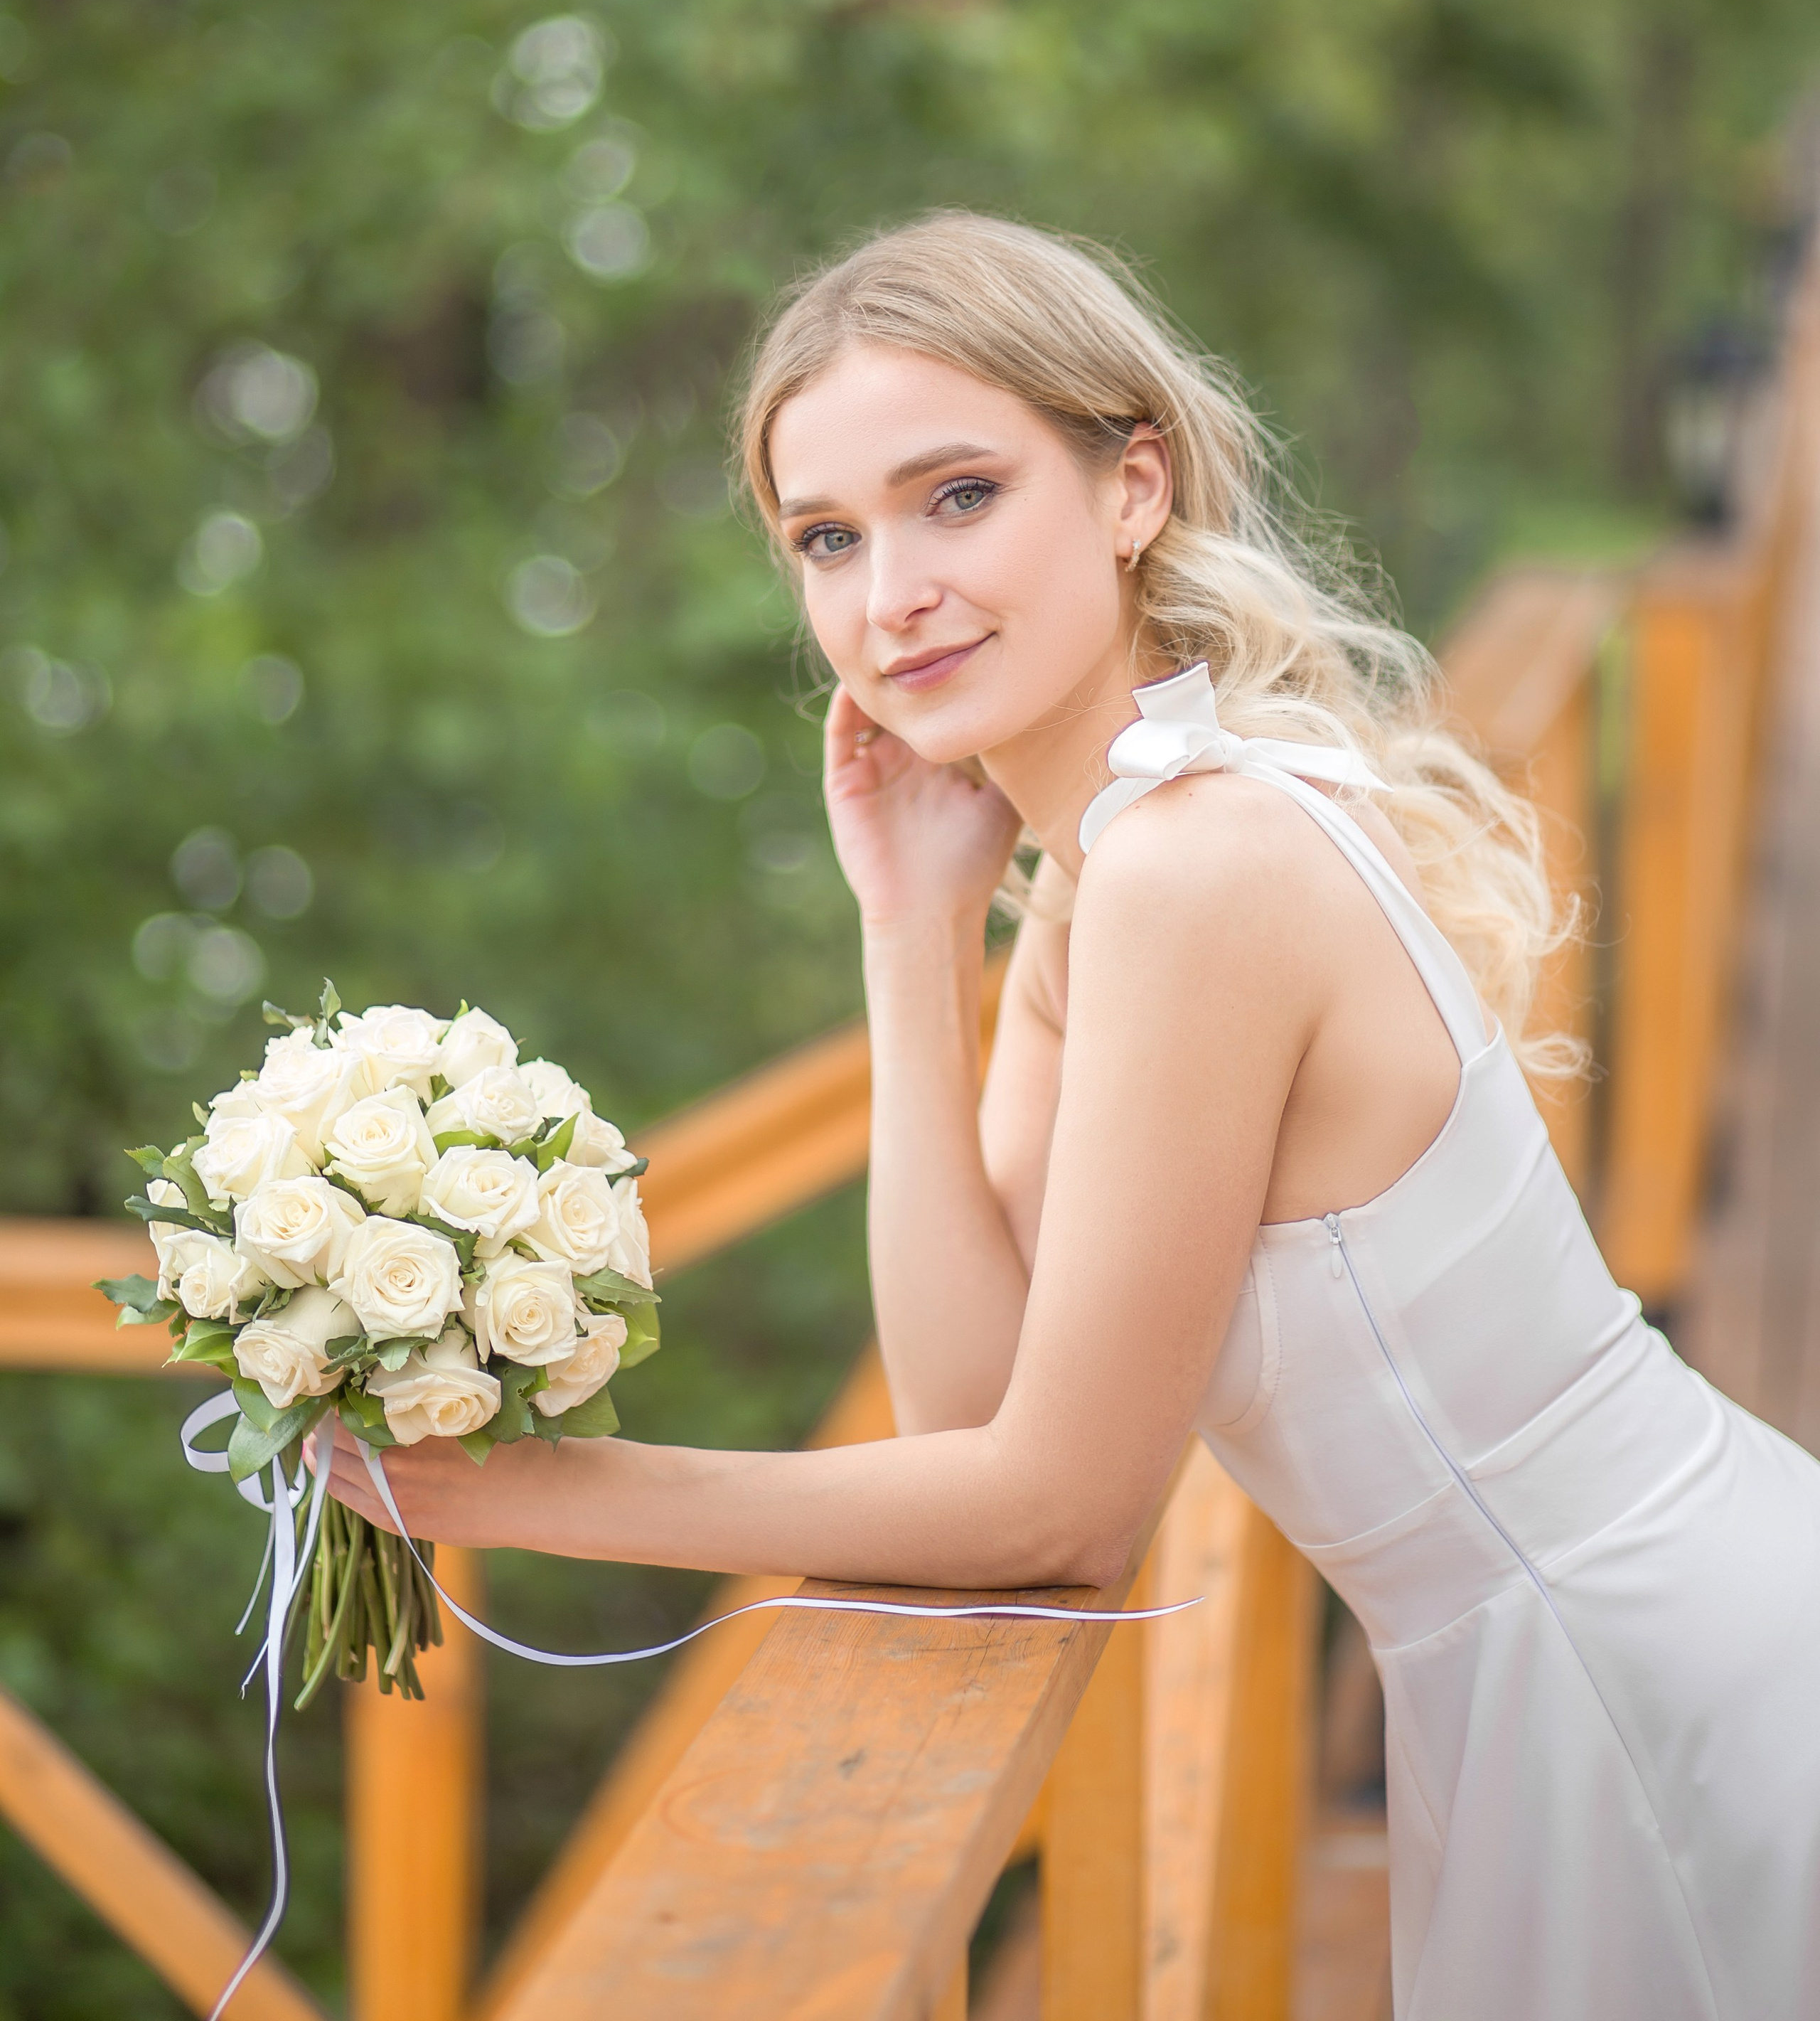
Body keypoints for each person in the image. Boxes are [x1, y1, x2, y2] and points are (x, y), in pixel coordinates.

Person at [323, 213, 1820, 2019]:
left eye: (957, 495)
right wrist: (911, 932)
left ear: (1130, 490)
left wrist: (529, 1492)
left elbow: (1053, 1511)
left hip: (1643, 1669)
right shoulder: (1102, 875)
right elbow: (972, 1402)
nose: (891, 596)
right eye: (827, 537)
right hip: (1533, 1663)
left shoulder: (1196, 873)